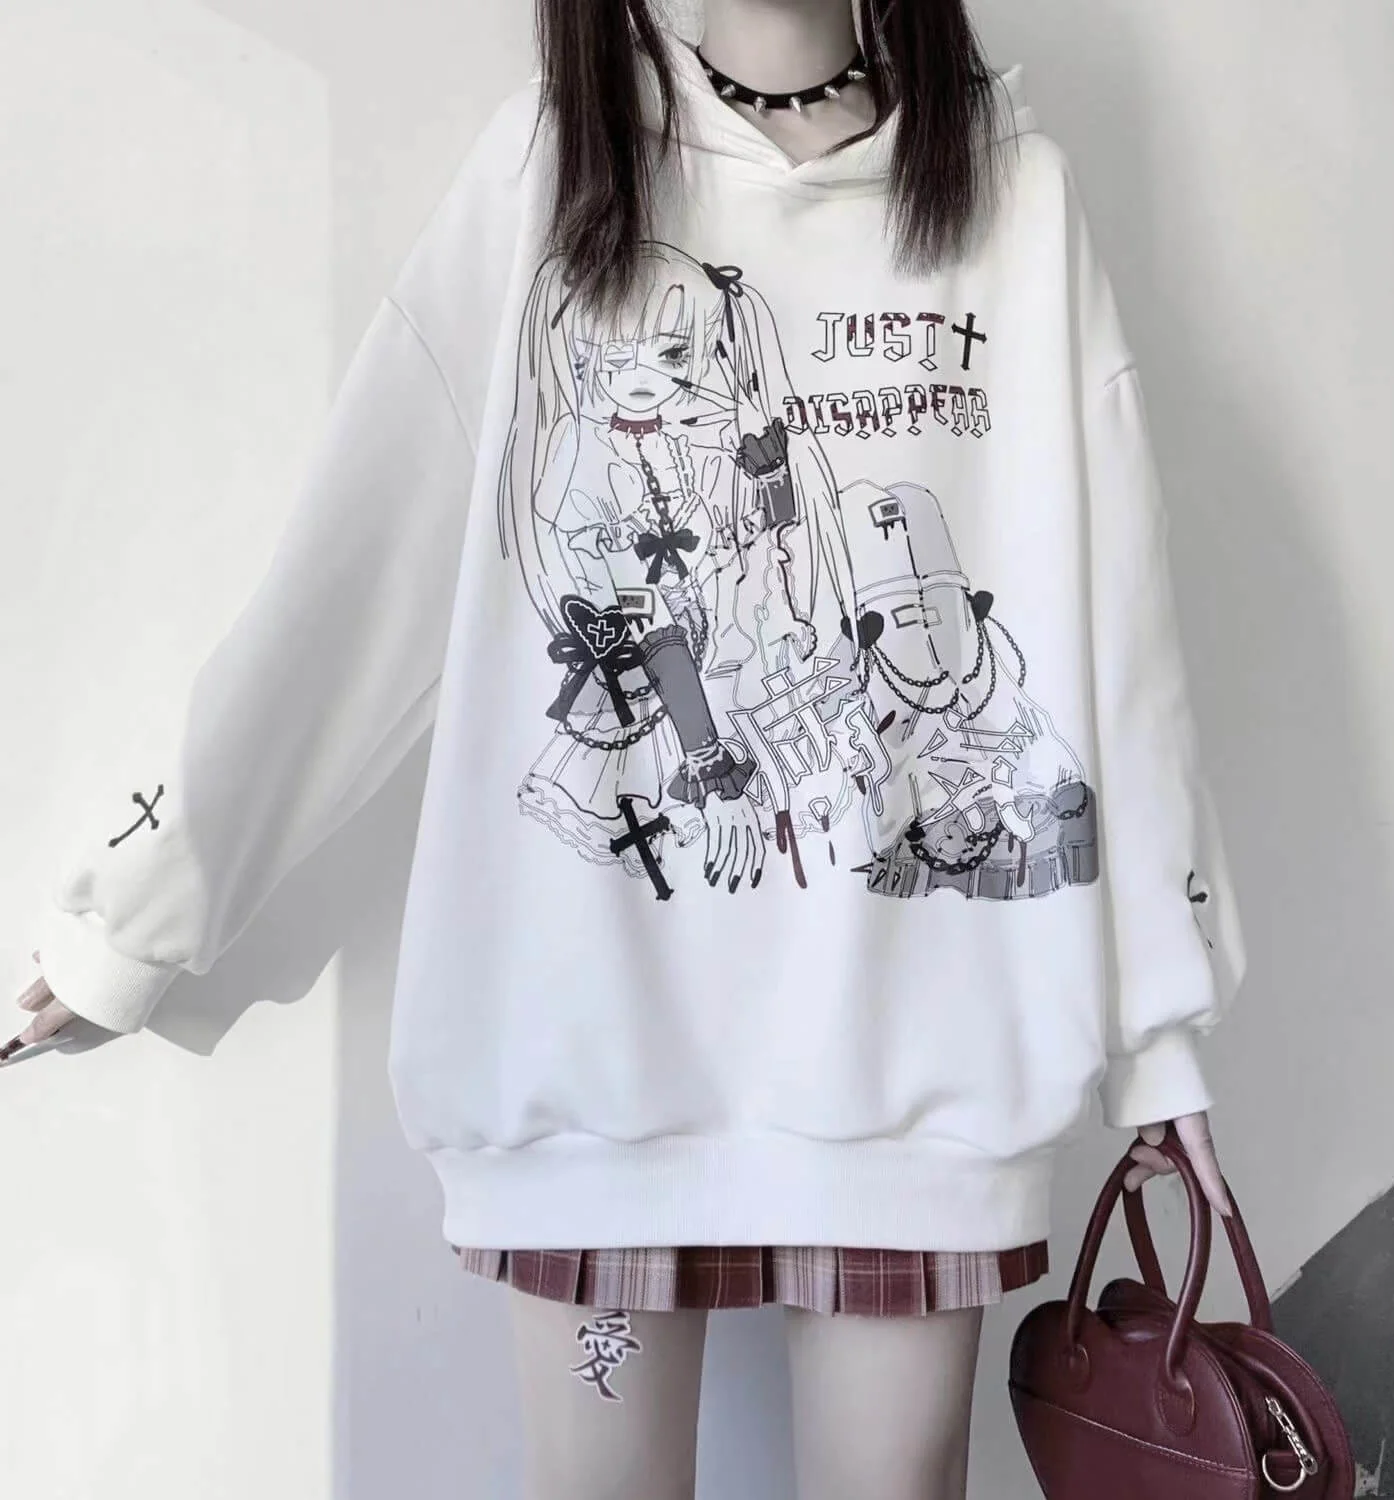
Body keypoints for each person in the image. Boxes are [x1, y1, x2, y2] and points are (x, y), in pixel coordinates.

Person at [7, 0, 1249, 1495]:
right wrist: (144, 915)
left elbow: (1121, 622)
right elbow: (363, 561)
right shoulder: (554, 167)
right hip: (589, 1076)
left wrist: (1159, 1030)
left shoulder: (1010, 198)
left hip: (922, 1086)